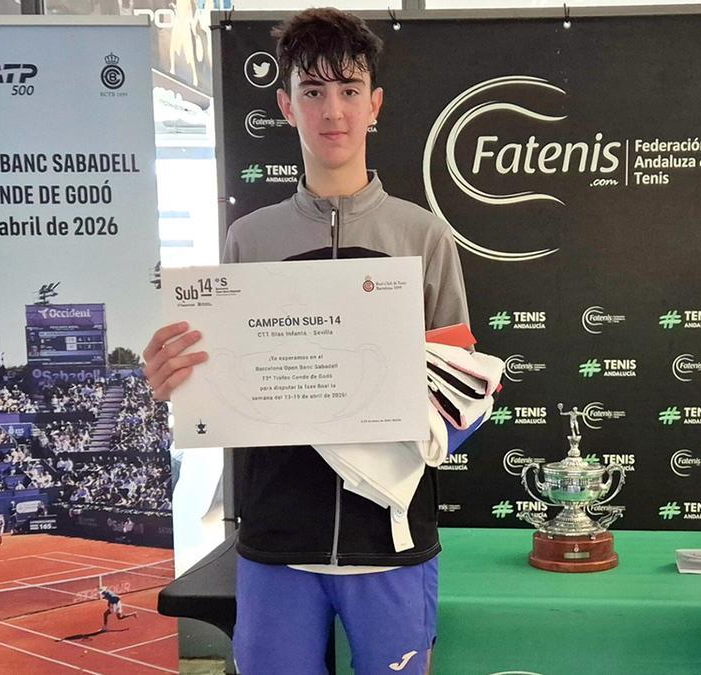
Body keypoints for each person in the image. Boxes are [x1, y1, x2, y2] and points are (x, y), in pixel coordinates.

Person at [142, 8, 467, 675]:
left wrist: (435, 417)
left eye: (349, 90)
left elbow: (462, 400)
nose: (333, 110)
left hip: (391, 545)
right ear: (286, 106)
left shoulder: (424, 237)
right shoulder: (248, 240)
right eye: (313, 91)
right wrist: (178, 381)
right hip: (276, 546)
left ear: (374, 104)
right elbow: (222, 383)